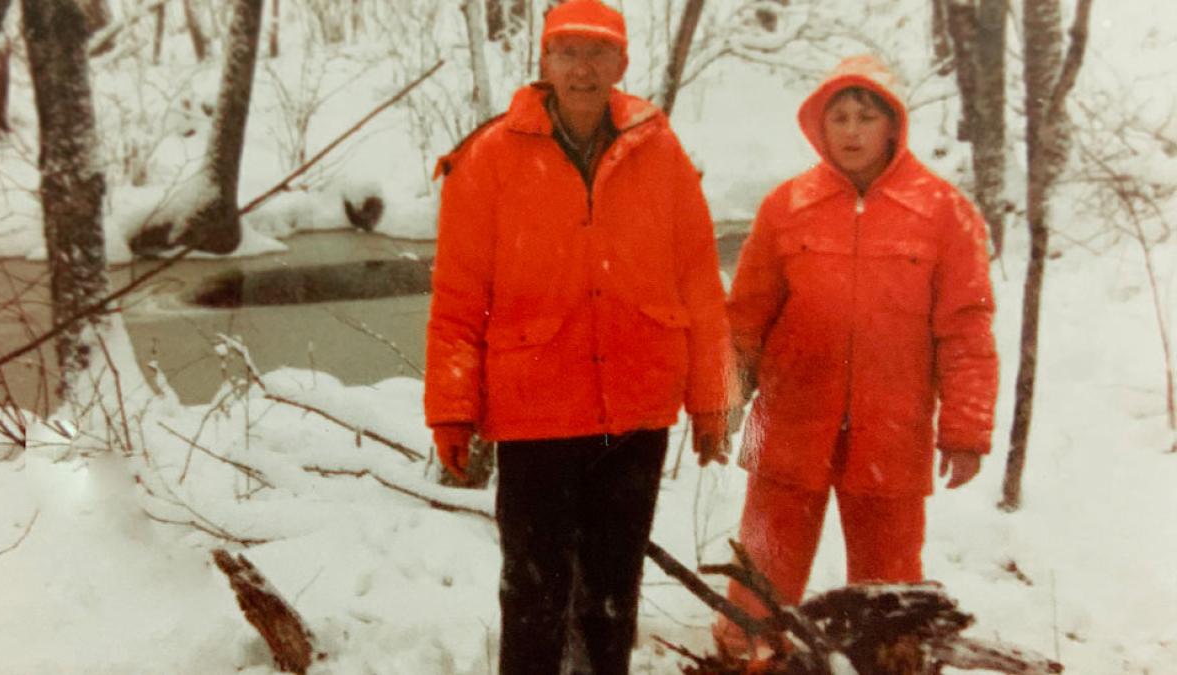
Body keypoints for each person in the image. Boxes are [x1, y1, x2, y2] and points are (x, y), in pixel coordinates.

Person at [423, 1, 735, 672]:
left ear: (623, 63)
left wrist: (716, 398)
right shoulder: (491, 155)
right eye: (567, 51)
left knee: (612, 594)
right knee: (533, 593)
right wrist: (451, 406)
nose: (582, 68)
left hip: (636, 411)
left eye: (598, 53)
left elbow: (702, 285)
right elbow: (456, 299)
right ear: (544, 62)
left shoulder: (661, 149)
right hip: (536, 410)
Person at [714, 55, 999, 654]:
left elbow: (967, 330)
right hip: (789, 419)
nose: (850, 131)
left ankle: (886, 664)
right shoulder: (786, 205)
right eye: (838, 117)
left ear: (892, 125)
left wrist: (966, 429)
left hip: (893, 427)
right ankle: (745, 660)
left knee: (889, 594)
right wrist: (722, 401)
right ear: (819, 124)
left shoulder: (944, 211)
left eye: (865, 117)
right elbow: (745, 316)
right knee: (760, 581)